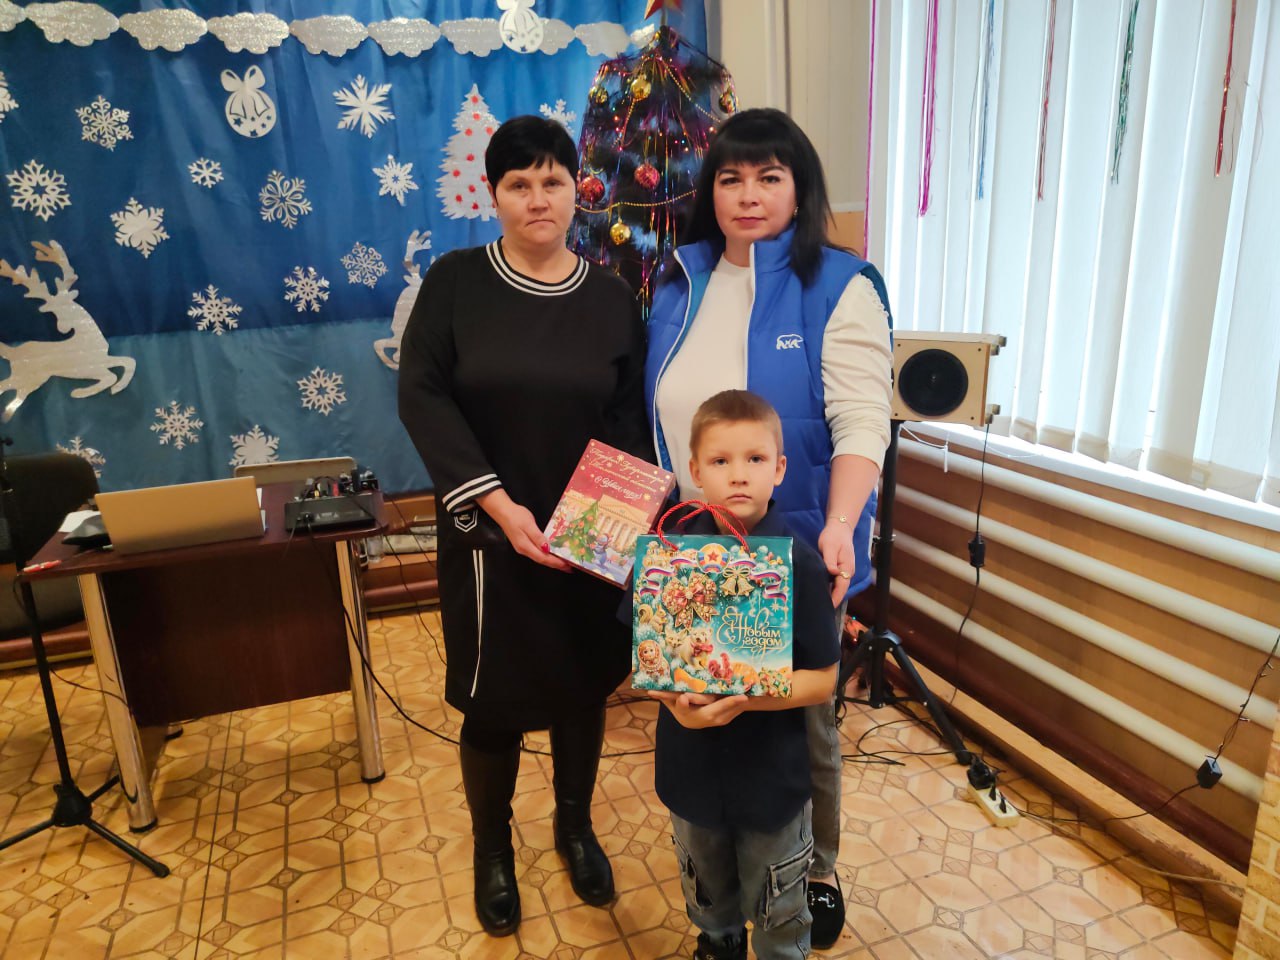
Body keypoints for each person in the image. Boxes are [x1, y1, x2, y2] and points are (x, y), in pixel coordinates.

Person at [646, 108, 893, 949]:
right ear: (710, 191)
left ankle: (813, 870)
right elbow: (658, 423)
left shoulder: (840, 285)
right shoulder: (679, 283)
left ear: (798, 188)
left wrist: (841, 525)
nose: (748, 195)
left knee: (800, 727)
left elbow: (862, 421)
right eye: (731, 177)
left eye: (769, 177)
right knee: (702, 710)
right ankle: (717, 897)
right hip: (693, 545)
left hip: (797, 545)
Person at [398, 115, 648, 937]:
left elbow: (625, 419)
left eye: (553, 181)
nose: (537, 198)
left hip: (583, 540)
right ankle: (492, 850)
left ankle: (574, 828)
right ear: (493, 194)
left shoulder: (611, 299)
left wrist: (606, 529)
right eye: (518, 183)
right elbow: (422, 394)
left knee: (581, 687)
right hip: (489, 536)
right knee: (494, 704)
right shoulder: (456, 283)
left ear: (578, 190)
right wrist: (501, 508)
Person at [648, 390, 841, 960]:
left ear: (779, 469)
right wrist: (675, 702)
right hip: (690, 774)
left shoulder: (798, 563)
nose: (738, 475)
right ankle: (717, 944)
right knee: (707, 893)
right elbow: (648, 666)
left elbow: (822, 681)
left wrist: (744, 699)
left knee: (779, 904)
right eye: (720, 460)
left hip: (770, 781)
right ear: (695, 471)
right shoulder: (669, 557)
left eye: (755, 459)